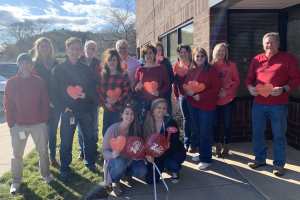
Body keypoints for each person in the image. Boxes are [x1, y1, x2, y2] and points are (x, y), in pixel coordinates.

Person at [246, 32, 300, 176]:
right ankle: (259, 159)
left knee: (279, 135)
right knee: (257, 133)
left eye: (272, 42)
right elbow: (249, 79)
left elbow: (296, 79)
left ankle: (279, 164)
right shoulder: (256, 59)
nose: (269, 45)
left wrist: (284, 89)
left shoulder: (288, 58)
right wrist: (250, 88)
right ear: (263, 44)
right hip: (258, 103)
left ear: (278, 43)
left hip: (278, 104)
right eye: (266, 43)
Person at [4, 53, 53, 194]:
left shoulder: (39, 81)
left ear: (32, 65)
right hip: (19, 125)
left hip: (38, 124)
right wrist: (11, 123)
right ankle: (16, 181)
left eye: (28, 63)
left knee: (43, 151)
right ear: (18, 65)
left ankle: (45, 174)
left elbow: (44, 101)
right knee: (17, 154)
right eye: (22, 63)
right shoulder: (11, 82)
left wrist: (44, 119)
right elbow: (8, 104)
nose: (26, 65)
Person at [52, 37, 98, 181]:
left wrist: (87, 96)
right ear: (67, 49)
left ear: (80, 52)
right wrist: (62, 107)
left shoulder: (86, 69)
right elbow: (54, 92)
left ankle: (90, 162)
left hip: (85, 111)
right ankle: (65, 168)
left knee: (89, 138)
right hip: (68, 112)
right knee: (66, 141)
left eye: (78, 49)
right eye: (72, 48)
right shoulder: (59, 69)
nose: (75, 51)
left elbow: (92, 88)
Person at [185, 47, 221, 169]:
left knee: (205, 132)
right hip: (193, 105)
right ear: (194, 58)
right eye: (197, 56)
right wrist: (188, 92)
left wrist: (201, 95)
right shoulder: (191, 70)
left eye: (202, 56)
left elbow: (216, 89)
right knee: (198, 131)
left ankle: (206, 159)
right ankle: (202, 154)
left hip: (206, 106)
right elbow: (186, 85)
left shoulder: (211, 70)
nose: (199, 58)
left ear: (206, 57)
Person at [102, 103, 147, 196]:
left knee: (142, 170)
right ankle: (115, 181)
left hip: (130, 159)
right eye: (126, 113)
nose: (129, 116)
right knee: (120, 163)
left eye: (132, 114)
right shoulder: (112, 129)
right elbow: (104, 152)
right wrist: (112, 155)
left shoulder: (136, 129)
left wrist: (140, 155)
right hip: (116, 160)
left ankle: (126, 175)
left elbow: (140, 146)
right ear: (121, 115)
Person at [31, 37, 61, 167]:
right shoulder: (33, 64)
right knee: (42, 133)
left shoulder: (56, 63)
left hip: (55, 104)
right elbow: (31, 85)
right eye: (41, 46)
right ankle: (42, 158)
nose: (44, 48)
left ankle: (53, 157)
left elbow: (61, 83)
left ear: (50, 48)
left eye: (46, 46)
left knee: (53, 132)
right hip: (40, 104)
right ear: (37, 48)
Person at [143, 98, 186, 184]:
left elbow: (175, 143)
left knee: (173, 163)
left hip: (169, 152)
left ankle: (173, 170)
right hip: (154, 153)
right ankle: (161, 167)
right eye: (158, 108)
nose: (161, 110)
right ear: (153, 109)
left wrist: (167, 146)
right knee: (151, 181)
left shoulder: (170, 122)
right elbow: (143, 141)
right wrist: (147, 155)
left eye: (164, 108)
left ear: (166, 110)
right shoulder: (146, 122)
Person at [211, 42, 240, 158]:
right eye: (219, 50)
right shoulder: (211, 66)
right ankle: (217, 146)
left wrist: (226, 92)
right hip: (215, 101)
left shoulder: (231, 65)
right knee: (216, 124)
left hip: (228, 100)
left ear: (226, 52)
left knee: (227, 124)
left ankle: (226, 146)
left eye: (223, 51)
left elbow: (237, 81)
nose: (221, 53)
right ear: (215, 52)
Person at [98, 48, 131, 135]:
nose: (111, 62)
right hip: (107, 109)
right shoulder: (103, 75)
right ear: (106, 61)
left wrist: (117, 100)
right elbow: (100, 92)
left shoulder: (123, 75)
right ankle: (107, 148)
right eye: (109, 60)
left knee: (118, 132)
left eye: (114, 60)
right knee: (106, 132)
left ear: (118, 61)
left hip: (119, 110)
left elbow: (127, 92)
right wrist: (105, 102)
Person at [134, 44, 170, 124]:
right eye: (146, 53)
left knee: (157, 124)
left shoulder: (161, 68)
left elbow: (167, 84)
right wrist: (137, 88)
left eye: (150, 53)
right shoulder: (140, 70)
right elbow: (135, 88)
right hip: (143, 103)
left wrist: (159, 92)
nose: (148, 55)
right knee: (143, 124)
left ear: (154, 54)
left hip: (157, 102)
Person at [77, 40, 101, 160]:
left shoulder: (98, 63)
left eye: (93, 48)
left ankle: (93, 149)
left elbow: (101, 81)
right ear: (84, 49)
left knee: (94, 127)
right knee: (81, 127)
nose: (90, 50)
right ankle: (82, 150)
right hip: (80, 101)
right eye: (88, 48)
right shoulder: (78, 61)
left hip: (93, 100)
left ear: (95, 51)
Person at [173, 44, 195, 153]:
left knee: (194, 119)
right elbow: (175, 83)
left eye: (185, 51)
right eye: (181, 52)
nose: (183, 54)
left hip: (193, 96)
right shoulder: (176, 66)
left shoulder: (193, 64)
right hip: (182, 97)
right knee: (186, 119)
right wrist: (177, 96)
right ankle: (187, 142)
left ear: (189, 53)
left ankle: (194, 143)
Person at [155, 42, 174, 114]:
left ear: (162, 51)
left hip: (166, 92)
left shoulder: (166, 61)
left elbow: (171, 77)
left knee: (167, 111)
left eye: (160, 50)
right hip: (155, 93)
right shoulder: (151, 62)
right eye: (156, 50)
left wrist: (165, 86)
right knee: (157, 112)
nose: (158, 52)